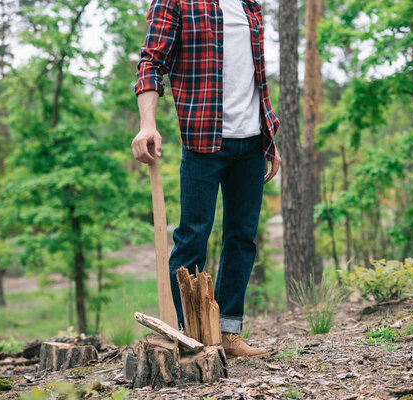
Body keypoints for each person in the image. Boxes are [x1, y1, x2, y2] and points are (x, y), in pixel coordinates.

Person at [131, 0, 281, 357]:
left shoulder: (249, 5)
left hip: (252, 142)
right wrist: (147, 124)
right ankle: (187, 335)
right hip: (203, 141)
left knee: (242, 238)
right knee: (192, 239)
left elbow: (256, 76)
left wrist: (270, 138)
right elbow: (152, 63)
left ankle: (229, 332)